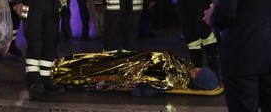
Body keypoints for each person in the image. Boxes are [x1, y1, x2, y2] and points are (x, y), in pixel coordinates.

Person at [52, 51, 220, 93]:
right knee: (100, 59)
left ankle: (61, 72)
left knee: (99, 69)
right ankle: (63, 64)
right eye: (200, 68)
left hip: (132, 68)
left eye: (198, 73)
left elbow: (155, 77)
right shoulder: (185, 66)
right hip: (138, 59)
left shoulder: (178, 79)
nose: (196, 69)